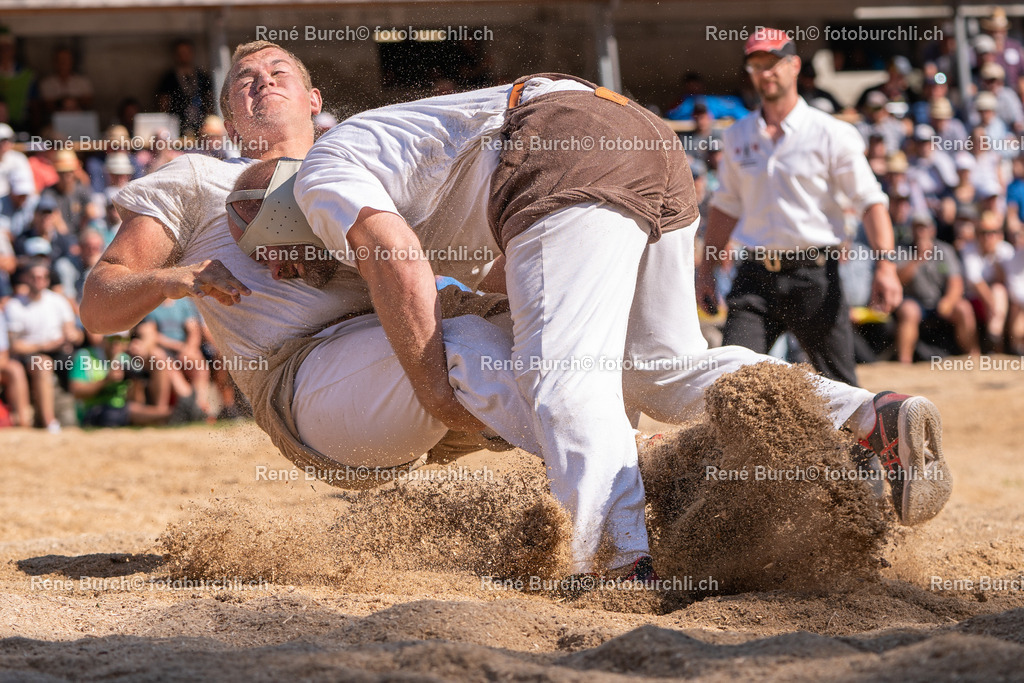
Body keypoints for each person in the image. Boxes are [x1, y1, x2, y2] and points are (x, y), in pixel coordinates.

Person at [231, 68, 950, 577]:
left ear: (281, 215)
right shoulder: (385, 165)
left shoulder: (320, 176)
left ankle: (619, 559)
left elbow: (394, 255)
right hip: (638, 139)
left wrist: (433, 388)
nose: (288, 272)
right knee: (663, 369)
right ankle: (870, 414)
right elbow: (506, 273)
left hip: (557, 148)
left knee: (564, 378)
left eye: (277, 257)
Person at [697, 29, 902, 387]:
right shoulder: (738, 135)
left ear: (794, 66)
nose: (765, 73)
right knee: (732, 382)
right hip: (754, 275)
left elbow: (870, 200)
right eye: (756, 65)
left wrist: (885, 265)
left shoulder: (831, 133)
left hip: (814, 274)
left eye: (773, 63)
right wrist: (706, 268)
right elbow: (726, 205)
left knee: (840, 389)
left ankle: (860, 444)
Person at [4, 259, 81, 432]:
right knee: (43, 363)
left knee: (82, 361)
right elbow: (15, 346)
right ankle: (49, 421)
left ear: (47, 280)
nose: (38, 280)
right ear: (26, 278)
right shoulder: (15, 306)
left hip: (61, 354)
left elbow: (73, 332)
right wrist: (46, 345)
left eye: (42, 277)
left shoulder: (58, 301)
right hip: (29, 356)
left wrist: (72, 336)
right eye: (34, 277)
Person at [894, 214, 978, 362]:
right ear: (911, 230)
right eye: (917, 227)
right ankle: (904, 361)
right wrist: (918, 259)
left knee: (963, 308)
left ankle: (973, 356)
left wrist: (948, 301)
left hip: (940, 301)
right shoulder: (902, 250)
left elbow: (956, 283)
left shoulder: (945, 250)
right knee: (909, 311)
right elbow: (897, 281)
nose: (921, 232)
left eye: (925, 227)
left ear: (932, 230)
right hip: (915, 302)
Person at [156, 39, 214, 137]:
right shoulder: (169, 78)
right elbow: (164, 103)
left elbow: (209, 100)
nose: (184, 56)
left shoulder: (201, 76)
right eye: (180, 53)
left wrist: (208, 120)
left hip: (200, 125)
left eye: (187, 52)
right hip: (176, 126)